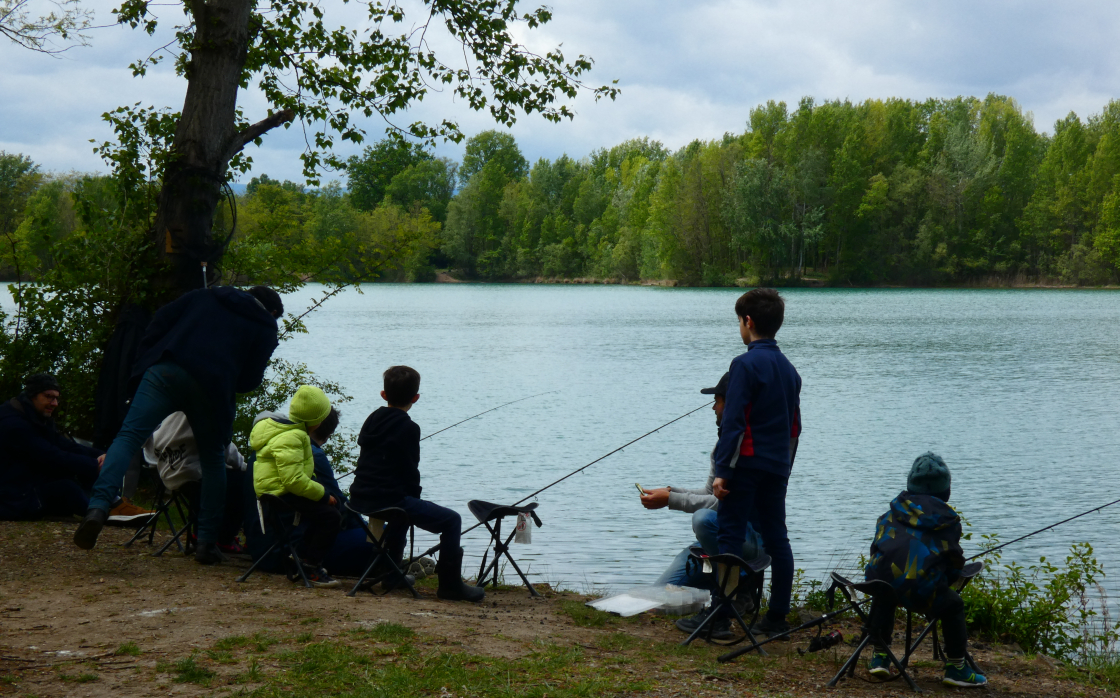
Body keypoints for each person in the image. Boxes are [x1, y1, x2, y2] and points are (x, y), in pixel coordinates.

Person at [74, 285, 282, 565]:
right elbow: (249, 381)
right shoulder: (266, 326)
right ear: (273, 311)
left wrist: (151, 355)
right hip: (212, 389)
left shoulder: (207, 294)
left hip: (166, 368)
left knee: (128, 438)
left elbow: (161, 318)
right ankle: (206, 543)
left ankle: (98, 507)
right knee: (213, 458)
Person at [639, 372, 765, 639]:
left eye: (717, 401)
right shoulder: (722, 444)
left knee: (704, 520)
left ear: (730, 405)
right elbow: (710, 492)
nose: (713, 408)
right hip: (715, 546)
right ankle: (723, 594)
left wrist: (670, 501)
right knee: (656, 596)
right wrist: (671, 491)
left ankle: (738, 591)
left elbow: (722, 505)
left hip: (748, 540)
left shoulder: (746, 447)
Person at [349, 365, 485, 602]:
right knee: (452, 520)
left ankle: (391, 575)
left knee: (402, 511)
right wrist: (415, 499)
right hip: (387, 499)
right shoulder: (410, 428)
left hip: (359, 498)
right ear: (416, 398)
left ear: (383, 395)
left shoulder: (371, 420)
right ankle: (450, 586)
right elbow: (410, 472)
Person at [711, 288, 801, 638]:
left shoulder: (744, 364)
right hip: (777, 466)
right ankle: (777, 616)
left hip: (745, 465)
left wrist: (723, 471)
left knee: (729, 535)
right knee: (778, 538)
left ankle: (721, 618)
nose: (740, 327)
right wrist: (784, 467)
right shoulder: (790, 371)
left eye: (739, 321)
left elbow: (734, 423)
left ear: (747, 322)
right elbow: (795, 428)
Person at [864, 453, 987, 687]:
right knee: (954, 605)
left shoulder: (889, 514)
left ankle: (880, 656)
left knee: (885, 588)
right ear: (946, 490)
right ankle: (956, 668)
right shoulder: (948, 521)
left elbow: (876, 550)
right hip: (922, 591)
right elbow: (952, 563)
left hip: (880, 585)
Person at [250, 385, 343, 588]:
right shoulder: (293, 437)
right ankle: (311, 567)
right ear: (318, 423)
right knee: (331, 516)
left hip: (275, 488)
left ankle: (300, 559)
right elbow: (292, 480)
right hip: (279, 492)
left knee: (319, 514)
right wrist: (323, 494)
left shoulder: (287, 430)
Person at [142, 411, 249, 554]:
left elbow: (150, 455)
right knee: (241, 482)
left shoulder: (170, 418)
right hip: (197, 478)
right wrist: (247, 469)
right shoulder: (204, 412)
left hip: (171, 478)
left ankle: (200, 533)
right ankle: (223, 538)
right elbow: (227, 451)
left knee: (214, 479)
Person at [0, 373, 104, 520]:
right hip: (12, 498)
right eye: (48, 396)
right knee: (68, 488)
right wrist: (95, 464)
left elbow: (64, 444)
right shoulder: (13, 424)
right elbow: (51, 455)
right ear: (32, 396)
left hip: (29, 483)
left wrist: (104, 455)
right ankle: (103, 514)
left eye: (56, 398)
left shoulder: (36, 417)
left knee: (80, 473)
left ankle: (111, 504)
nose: (54, 403)